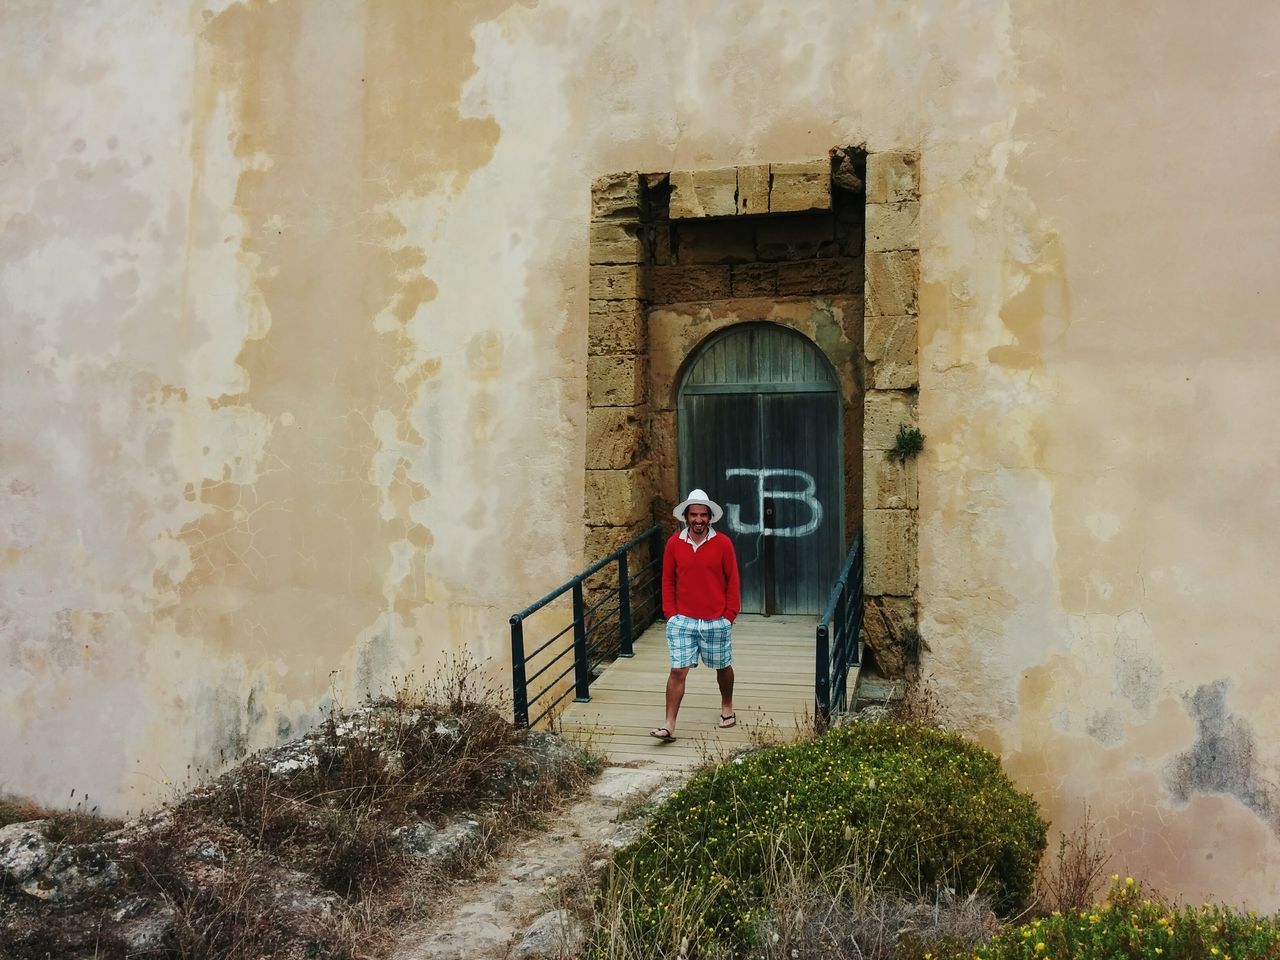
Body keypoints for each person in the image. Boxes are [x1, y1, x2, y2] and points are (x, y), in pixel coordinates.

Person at [650, 488, 741, 743]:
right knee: (678, 671)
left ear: (710, 517)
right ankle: (669, 725)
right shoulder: (674, 544)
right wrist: (671, 615)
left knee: (723, 667)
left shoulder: (723, 544)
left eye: (703, 515)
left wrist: (729, 615)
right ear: (686, 517)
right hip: (683, 621)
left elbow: (732, 580)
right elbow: (667, 580)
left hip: (716, 619)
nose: (698, 520)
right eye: (694, 515)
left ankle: (727, 707)